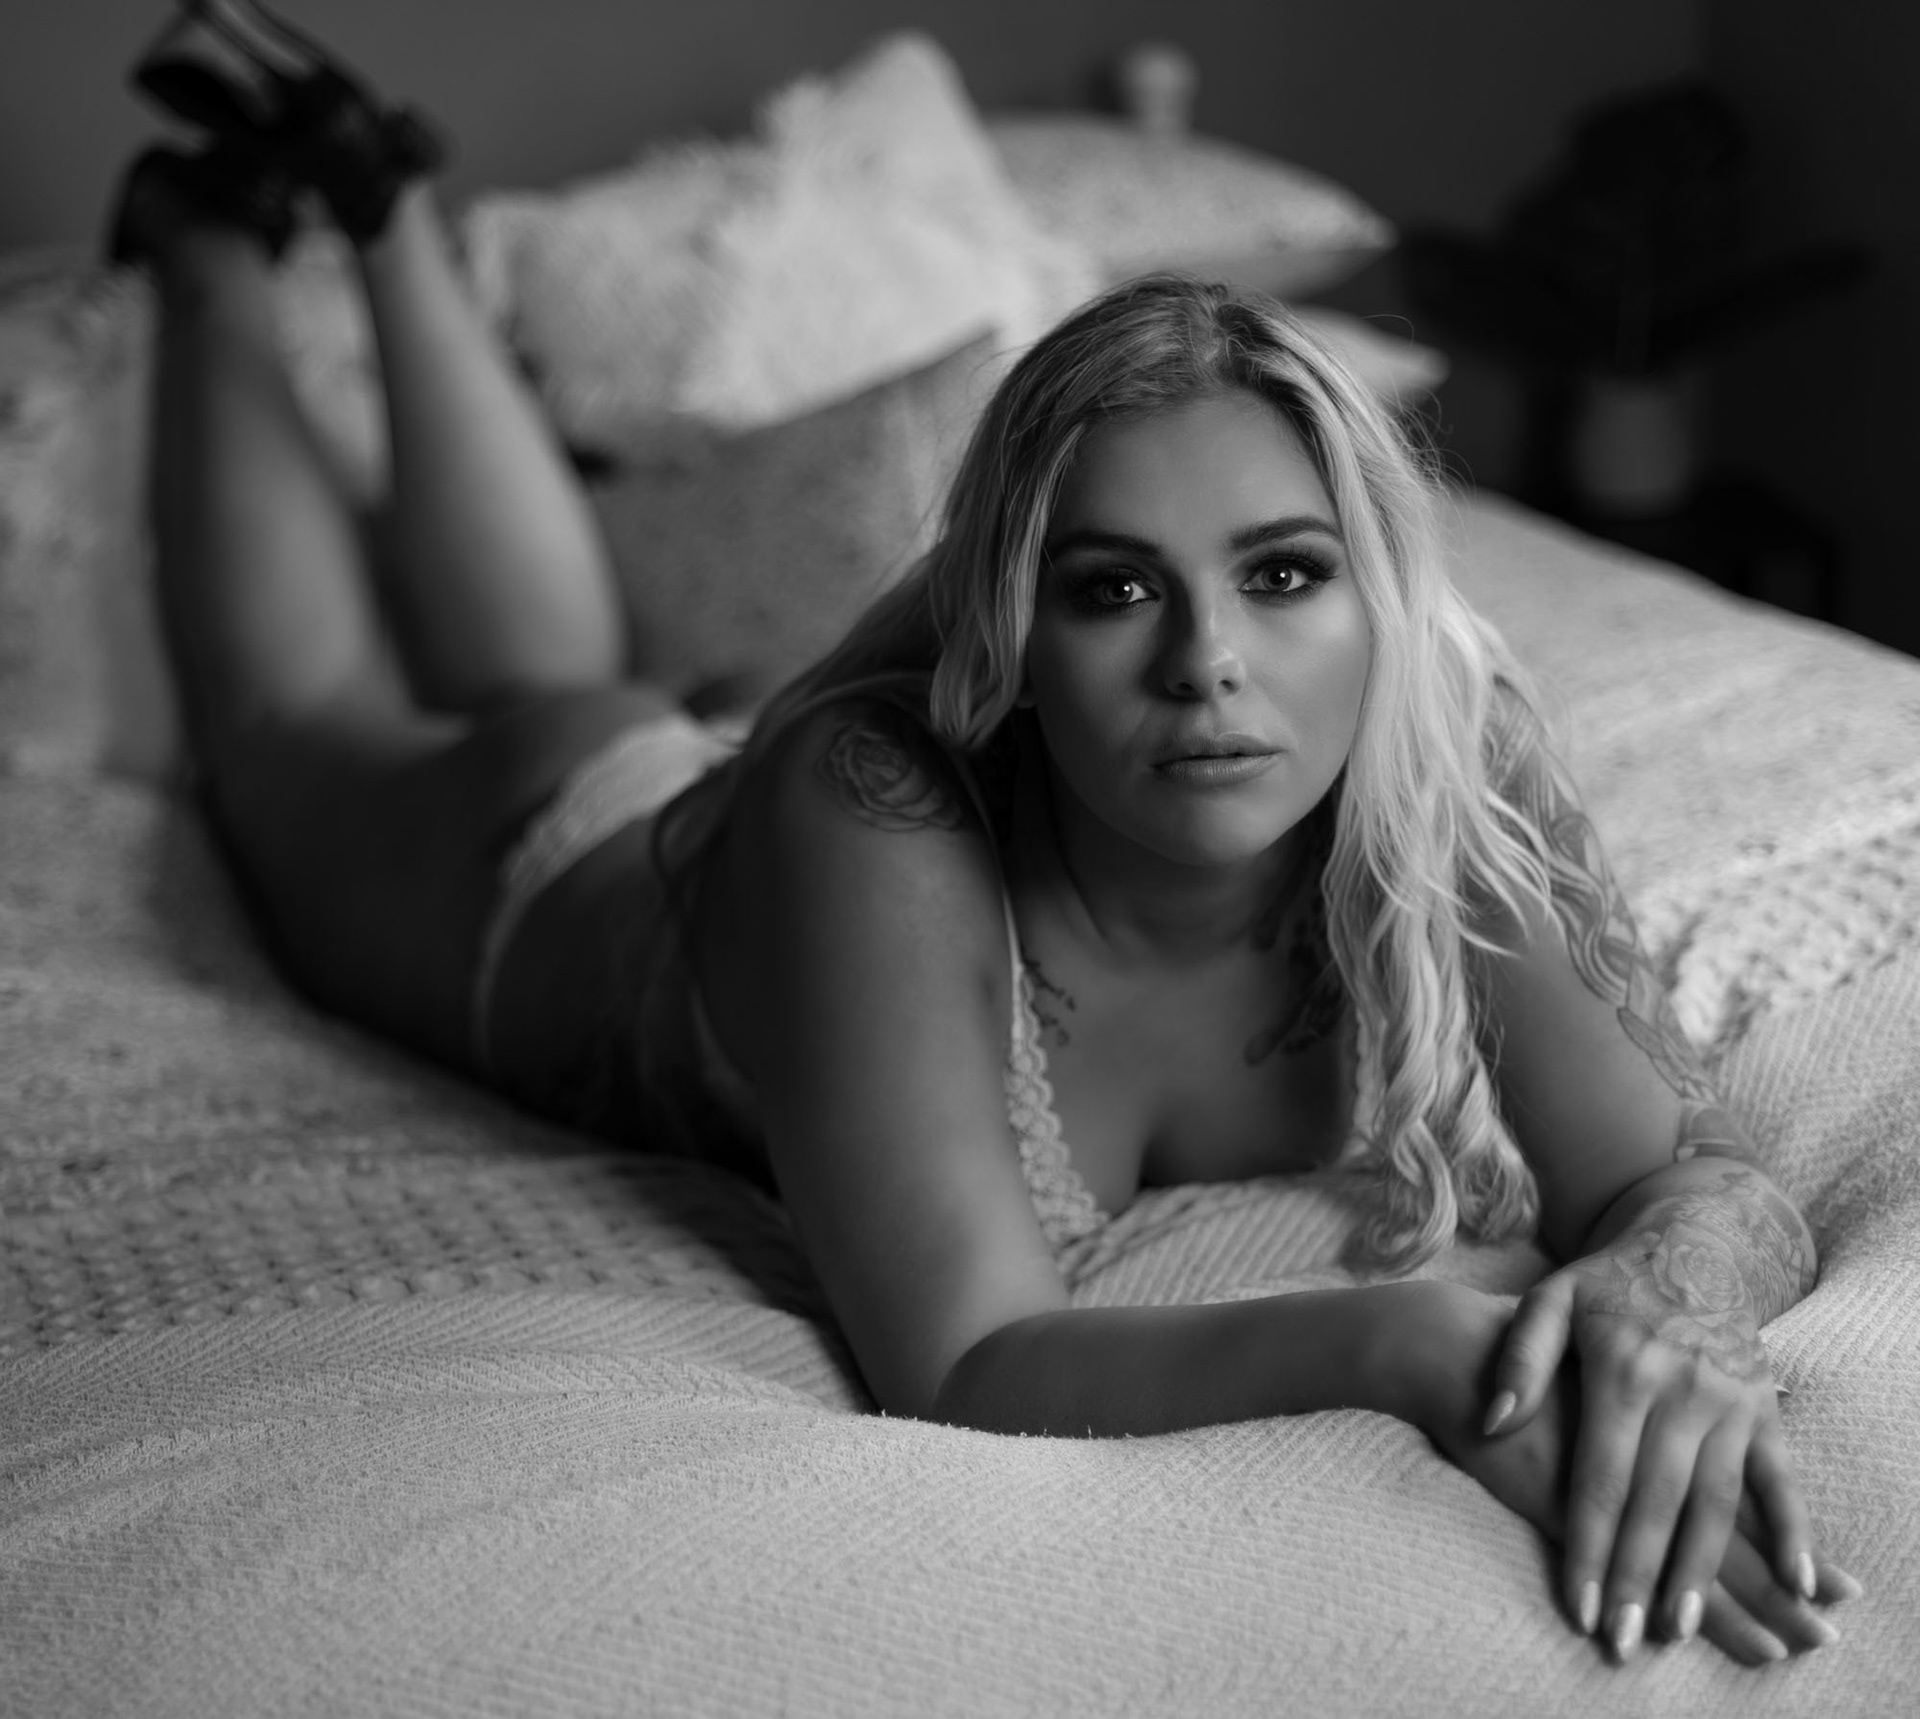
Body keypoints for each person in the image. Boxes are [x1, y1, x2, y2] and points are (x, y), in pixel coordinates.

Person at [115, 0, 1858, 1669]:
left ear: (1377, 599)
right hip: (562, 881)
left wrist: (1666, 1300)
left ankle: (385, 205)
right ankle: (207, 253)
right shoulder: (868, 802)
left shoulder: (1443, 752)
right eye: (1116, 590)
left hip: (747, 812)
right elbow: (965, 1361)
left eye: (1282, 573)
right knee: (299, 734)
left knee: (554, 666)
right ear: (1013, 633)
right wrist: (1415, 1339)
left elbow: (1687, 1177)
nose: (1208, 664)